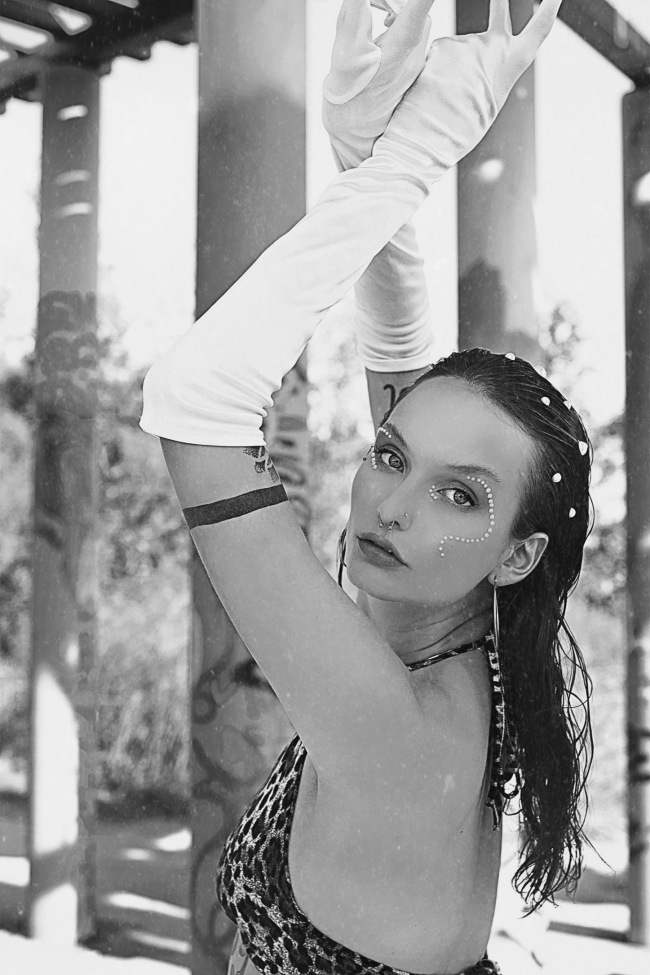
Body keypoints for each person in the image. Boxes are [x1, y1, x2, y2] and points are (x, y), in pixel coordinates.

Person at [139, 2, 593, 973]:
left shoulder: (402, 732)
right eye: (389, 457)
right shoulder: (458, 646)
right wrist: (364, 155)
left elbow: (195, 401)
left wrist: (408, 161)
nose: (392, 505)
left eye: (459, 496)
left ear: (517, 553)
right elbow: (401, 356)